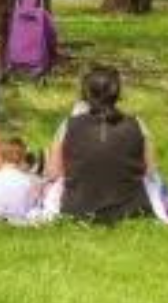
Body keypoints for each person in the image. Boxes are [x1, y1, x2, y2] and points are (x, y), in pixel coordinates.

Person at [48, 65, 157, 225]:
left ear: (86, 93)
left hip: (77, 210)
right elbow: (151, 171)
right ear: (117, 93)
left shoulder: (68, 125)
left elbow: (53, 173)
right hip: (132, 210)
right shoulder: (137, 124)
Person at [0, 138, 51, 224]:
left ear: (0, 158)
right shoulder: (27, 181)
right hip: (19, 217)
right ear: (22, 160)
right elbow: (31, 204)